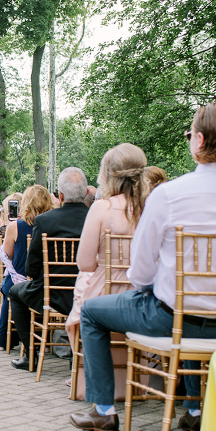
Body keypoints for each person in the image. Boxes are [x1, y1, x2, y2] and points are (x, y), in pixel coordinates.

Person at [69, 101, 216, 431]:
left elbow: (141, 273)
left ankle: (104, 411)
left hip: (172, 319)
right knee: (186, 310)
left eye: (189, 133)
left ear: (200, 141)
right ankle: (194, 410)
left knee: (91, 312)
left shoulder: (169, 196)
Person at [9, 168, 90, 371]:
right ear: (86, 192)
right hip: (87, 293)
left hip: (50, 294)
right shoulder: (94, 218)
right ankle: (76, 356)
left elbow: (32, 268)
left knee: (14, 292)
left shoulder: (45, 221)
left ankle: (30, 355)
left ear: (60, 196)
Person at [66, 143, 148, 337]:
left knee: (81, 301)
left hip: (105, 292)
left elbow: (84, 264)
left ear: (108, 174)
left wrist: (105, 263)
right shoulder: (151, 208)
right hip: (142, 295)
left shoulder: (101, 208)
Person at [0, 186, 54, 351]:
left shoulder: (15, 226)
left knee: (8, 287)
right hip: (46, 281)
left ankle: (3, 339)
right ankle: (45, 340)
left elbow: (8, 254)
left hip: (19, 279)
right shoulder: (52, 226)